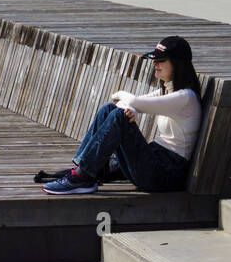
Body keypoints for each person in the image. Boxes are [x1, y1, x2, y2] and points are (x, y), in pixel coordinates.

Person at [42, 35, 202, 195]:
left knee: (119, 116)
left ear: (178, 63)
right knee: (109, 108)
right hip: (155, 160)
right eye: (154, 60)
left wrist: (125, 99)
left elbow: (134, 101)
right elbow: (126, 103)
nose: (155, 63)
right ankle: (81, 171)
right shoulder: (167, 91)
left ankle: (81, 176)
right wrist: (131, 107)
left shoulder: (185, 98)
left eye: (161, 60)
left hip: (165, 174)